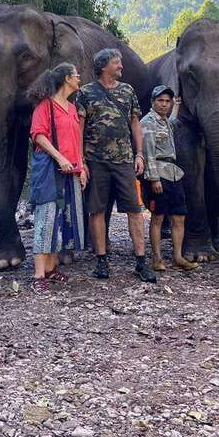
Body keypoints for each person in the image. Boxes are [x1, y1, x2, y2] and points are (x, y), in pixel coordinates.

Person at [76, 48, 156, 283]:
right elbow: (79, 127)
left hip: (124, 161)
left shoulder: (127, 91)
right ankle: (101, 261)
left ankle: (141, 261)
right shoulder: (86, 92)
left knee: (135, 210)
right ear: (103, 66)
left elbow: (135, 123)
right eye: (116, 63)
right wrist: (81, 160)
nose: (121, 66)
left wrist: (139, 154)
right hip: (95, 161)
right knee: (97, 210)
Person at [28, 62, 87, 293]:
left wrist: (80, 167)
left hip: (69, 173)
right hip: (50, 172)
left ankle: (51, 268)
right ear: (66, 79)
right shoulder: (45, 106)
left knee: (61, 220)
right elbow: (38, 136)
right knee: (46, 217)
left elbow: (75, 141)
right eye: (76, 75)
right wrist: (59, 157)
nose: (79, 78)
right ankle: (38, 275)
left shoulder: (72, 108)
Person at [140, 86, 198, 272]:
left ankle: (178, 256)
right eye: (160, 101)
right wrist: (154, 179)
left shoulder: (166, 121)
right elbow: (148, 152)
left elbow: (172, 121)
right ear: (153, 102)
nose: (164, 104)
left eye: (167, 101)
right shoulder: (147, 122)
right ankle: (157, 259)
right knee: (158, 217)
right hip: (158, 174)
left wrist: (177, 106)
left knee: (179, 216)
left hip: (173, 173)